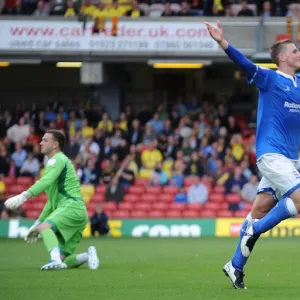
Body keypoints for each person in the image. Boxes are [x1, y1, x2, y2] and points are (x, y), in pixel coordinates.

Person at [205, 20, 300, 289]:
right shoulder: (270, 78)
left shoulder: (299, 83)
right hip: (272, 156)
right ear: (282, 58)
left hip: (289, 159)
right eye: (295, 51)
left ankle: (235, 265)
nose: (299, 54)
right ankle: (255, 232)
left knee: (258, 211)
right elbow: (245, 65)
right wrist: (222, 42)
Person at [4, 129, 100, 271]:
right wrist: (36, 223)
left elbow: (45, 181)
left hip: (71, 207)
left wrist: (23, 196)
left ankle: (54, 259)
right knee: (65, 260)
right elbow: (50, 203)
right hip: (79, 212)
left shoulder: (58, 159)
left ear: (55, 144)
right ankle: (87, 255)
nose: (40, 142)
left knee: (45, 229)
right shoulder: (57, 164)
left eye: (45, 140)